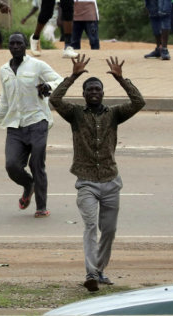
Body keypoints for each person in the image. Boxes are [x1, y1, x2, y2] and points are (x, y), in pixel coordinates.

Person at [49, 55, 145, 291]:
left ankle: (100, 270)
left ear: (103, 93)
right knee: (91, 227)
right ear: (84, 94)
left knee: (109, 231)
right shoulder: (75, 114)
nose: (93, 92)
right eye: (89, 89)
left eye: (97, 89)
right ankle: (91, 273)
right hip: (87, 183)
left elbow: (138, 102)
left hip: (111, 181)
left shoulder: (114, 114)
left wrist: (122, 80)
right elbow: (54, 99)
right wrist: (72, 76)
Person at [0, 33, 64, 218]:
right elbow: (5, 102)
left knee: (36, 163)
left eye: (19, 43)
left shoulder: (37, 65)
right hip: (15, 126)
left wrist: (48, 86)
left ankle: (41, 206)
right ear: (8, 47)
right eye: (12, 44)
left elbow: (60, 80)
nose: (15, 46)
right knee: (12, 165)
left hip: (37, 121)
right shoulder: (4, 70)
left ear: (25, 45)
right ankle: (28, 185)